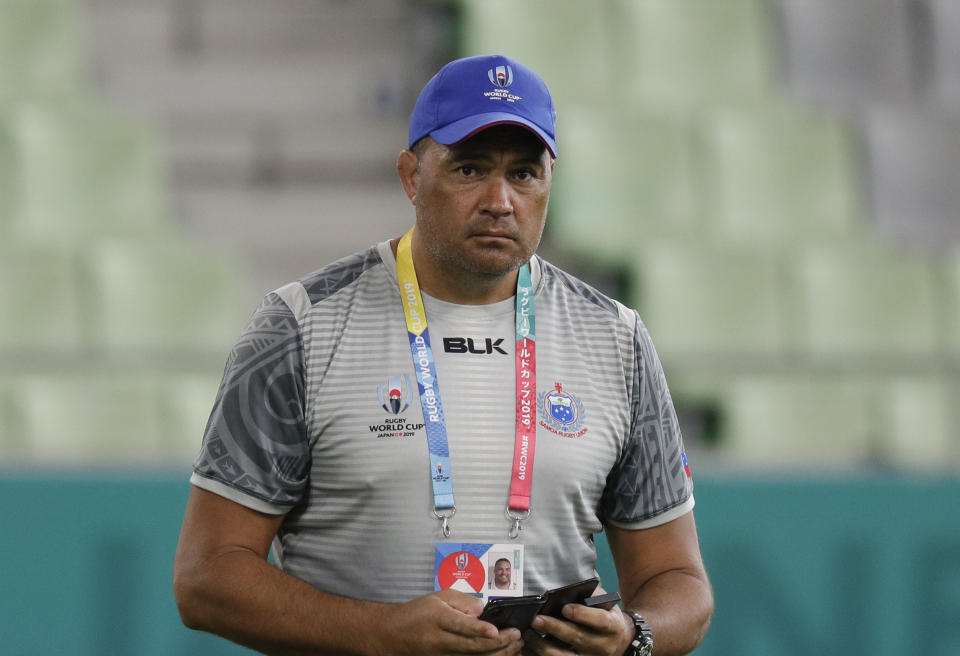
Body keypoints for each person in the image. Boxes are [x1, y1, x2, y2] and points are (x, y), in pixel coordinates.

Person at [173, 53, 713, 656]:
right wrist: (381, 634)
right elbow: (206, 579)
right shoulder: (300, 327)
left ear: (550, 180)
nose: (499, 200)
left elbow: (680, 584)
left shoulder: (615, 339)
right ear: (410, 175)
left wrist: (630, 638)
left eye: (525, 174)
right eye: (469, 169)